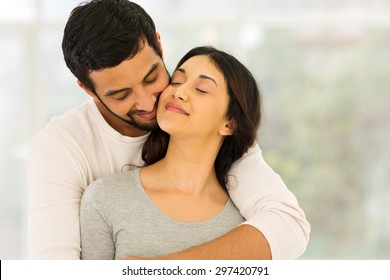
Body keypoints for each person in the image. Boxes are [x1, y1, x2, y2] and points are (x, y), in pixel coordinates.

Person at [27, 0, 310, 260]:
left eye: (152, 78)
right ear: (88, 89)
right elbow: (55, 268)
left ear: (160, 47)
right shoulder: (60, 147)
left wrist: (158, 269)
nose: (148, 101)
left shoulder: (214, 134)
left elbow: (288, 225)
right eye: (121, 95)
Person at [80, 46, 259, 259]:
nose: (179, 92)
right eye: (176, 81)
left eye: (201, 89)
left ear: (230, 124)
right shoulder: (104, 198)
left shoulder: (246, 221)